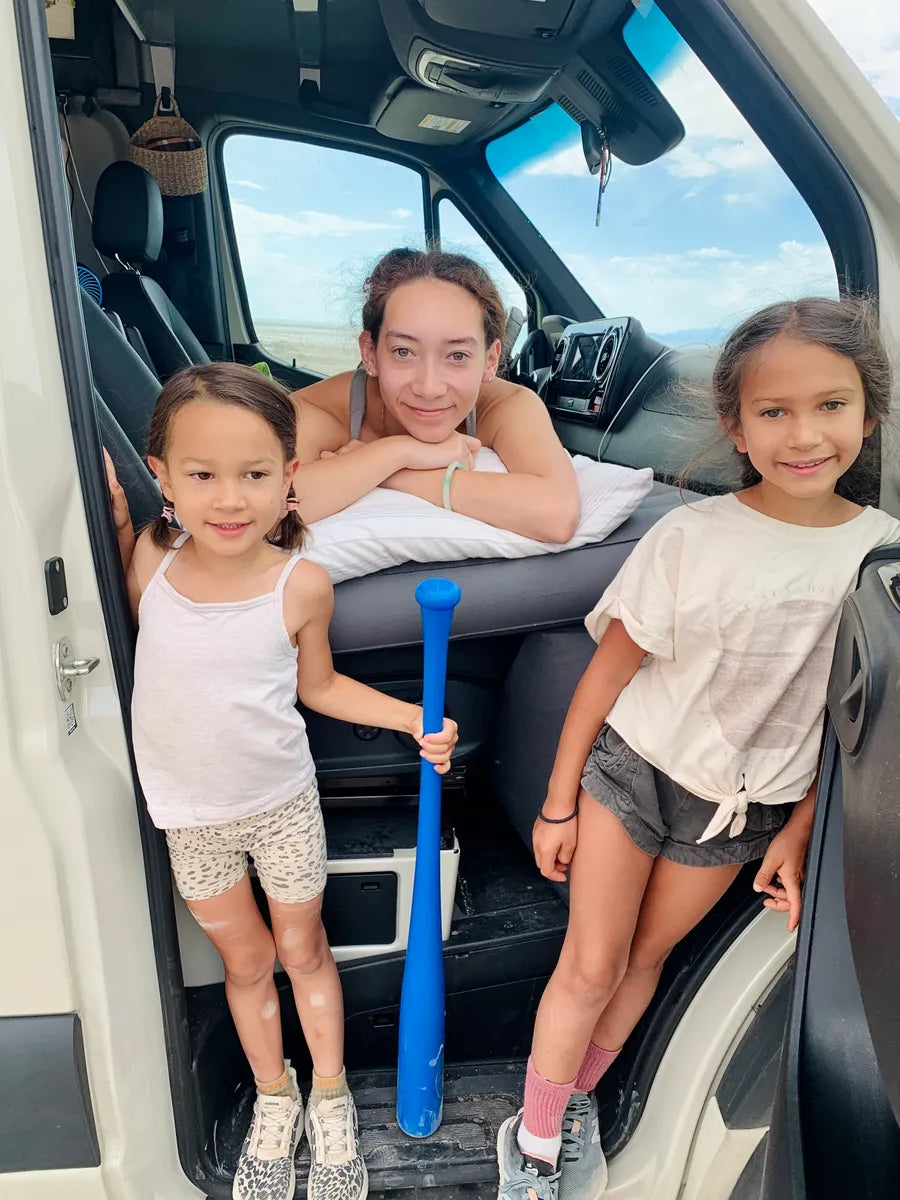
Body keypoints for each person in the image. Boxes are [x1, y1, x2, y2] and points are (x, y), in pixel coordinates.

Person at [496, 296, 900, 1200]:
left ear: (868, 414)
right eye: (774, 411)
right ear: (736, 426)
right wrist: (558, 803)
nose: (805, 435)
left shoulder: (879, 556)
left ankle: (575, 1097)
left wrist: (799, 828)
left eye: (831, 405)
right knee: (593, 962)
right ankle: (536, 1143)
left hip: (743, 810)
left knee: (645, 960)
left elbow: (849, 720)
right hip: (635, 773)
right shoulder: (691, 536)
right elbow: (604, 679)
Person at [117, 362, 457, 1200]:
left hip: (280, 809)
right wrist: (114, 511)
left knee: (303, 950)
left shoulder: (300, 584)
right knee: (245, 962)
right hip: (191, 818)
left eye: (255, 474)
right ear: (163, 478)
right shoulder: (150, 560)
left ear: (289, 478)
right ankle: (277, 1097)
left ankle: (330, 1098)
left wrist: (414, 718)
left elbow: (321, 687)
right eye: (202, 475)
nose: (230, 499)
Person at [289, 248, 580, 542]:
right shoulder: (320, 410)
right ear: (370, 353)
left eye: (457, 355)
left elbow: (556, 514)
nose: (429, 388)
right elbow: (275, 506)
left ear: (490, 360)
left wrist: (399, 474)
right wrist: (398, 452)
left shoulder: (505, 406)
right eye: (404, 352)